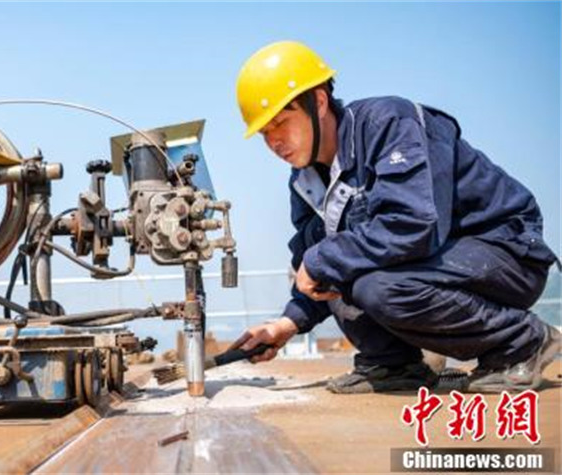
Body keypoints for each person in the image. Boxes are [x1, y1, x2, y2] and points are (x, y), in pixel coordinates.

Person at [230, 41, 561, 394]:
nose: (275, 141)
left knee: (362, 276)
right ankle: (394, 364)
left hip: (503, 253)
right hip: (435, 265)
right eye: (265, 133)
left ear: (320, 102)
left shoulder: (388, 124)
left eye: (281, 122)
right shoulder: (306, 182)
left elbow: (415, 224)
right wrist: (286, 323)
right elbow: (319, 269)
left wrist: (322, 258)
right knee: (335, 263)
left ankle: (521, 343)